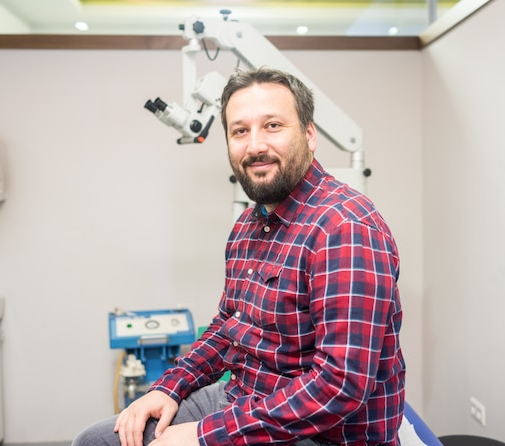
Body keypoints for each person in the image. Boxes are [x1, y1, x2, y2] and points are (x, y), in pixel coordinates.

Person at [73, 67, 405, 446]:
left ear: (309, 135)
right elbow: (229, 327)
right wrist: (167, 388)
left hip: (323, 432)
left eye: (273, 126)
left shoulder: (344, 228)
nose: (255, 145)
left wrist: (203, 435)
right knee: (96, 441)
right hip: (243, 400)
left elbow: (340, 385)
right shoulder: (251, 223)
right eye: (240, 131)